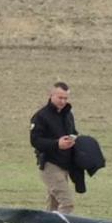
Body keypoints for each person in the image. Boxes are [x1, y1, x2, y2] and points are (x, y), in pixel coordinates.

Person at [30, 82, 78, 213]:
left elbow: (73, 131)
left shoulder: (68, 114)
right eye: (60, 98)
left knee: (53, 206)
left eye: (65, 98)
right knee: (67, 204)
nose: (63, 101)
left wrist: (73, 140)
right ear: (51, 95)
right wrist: (57, 144)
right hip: (50, 165)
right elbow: (35, 141)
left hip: (65, 166)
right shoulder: (41, 116)